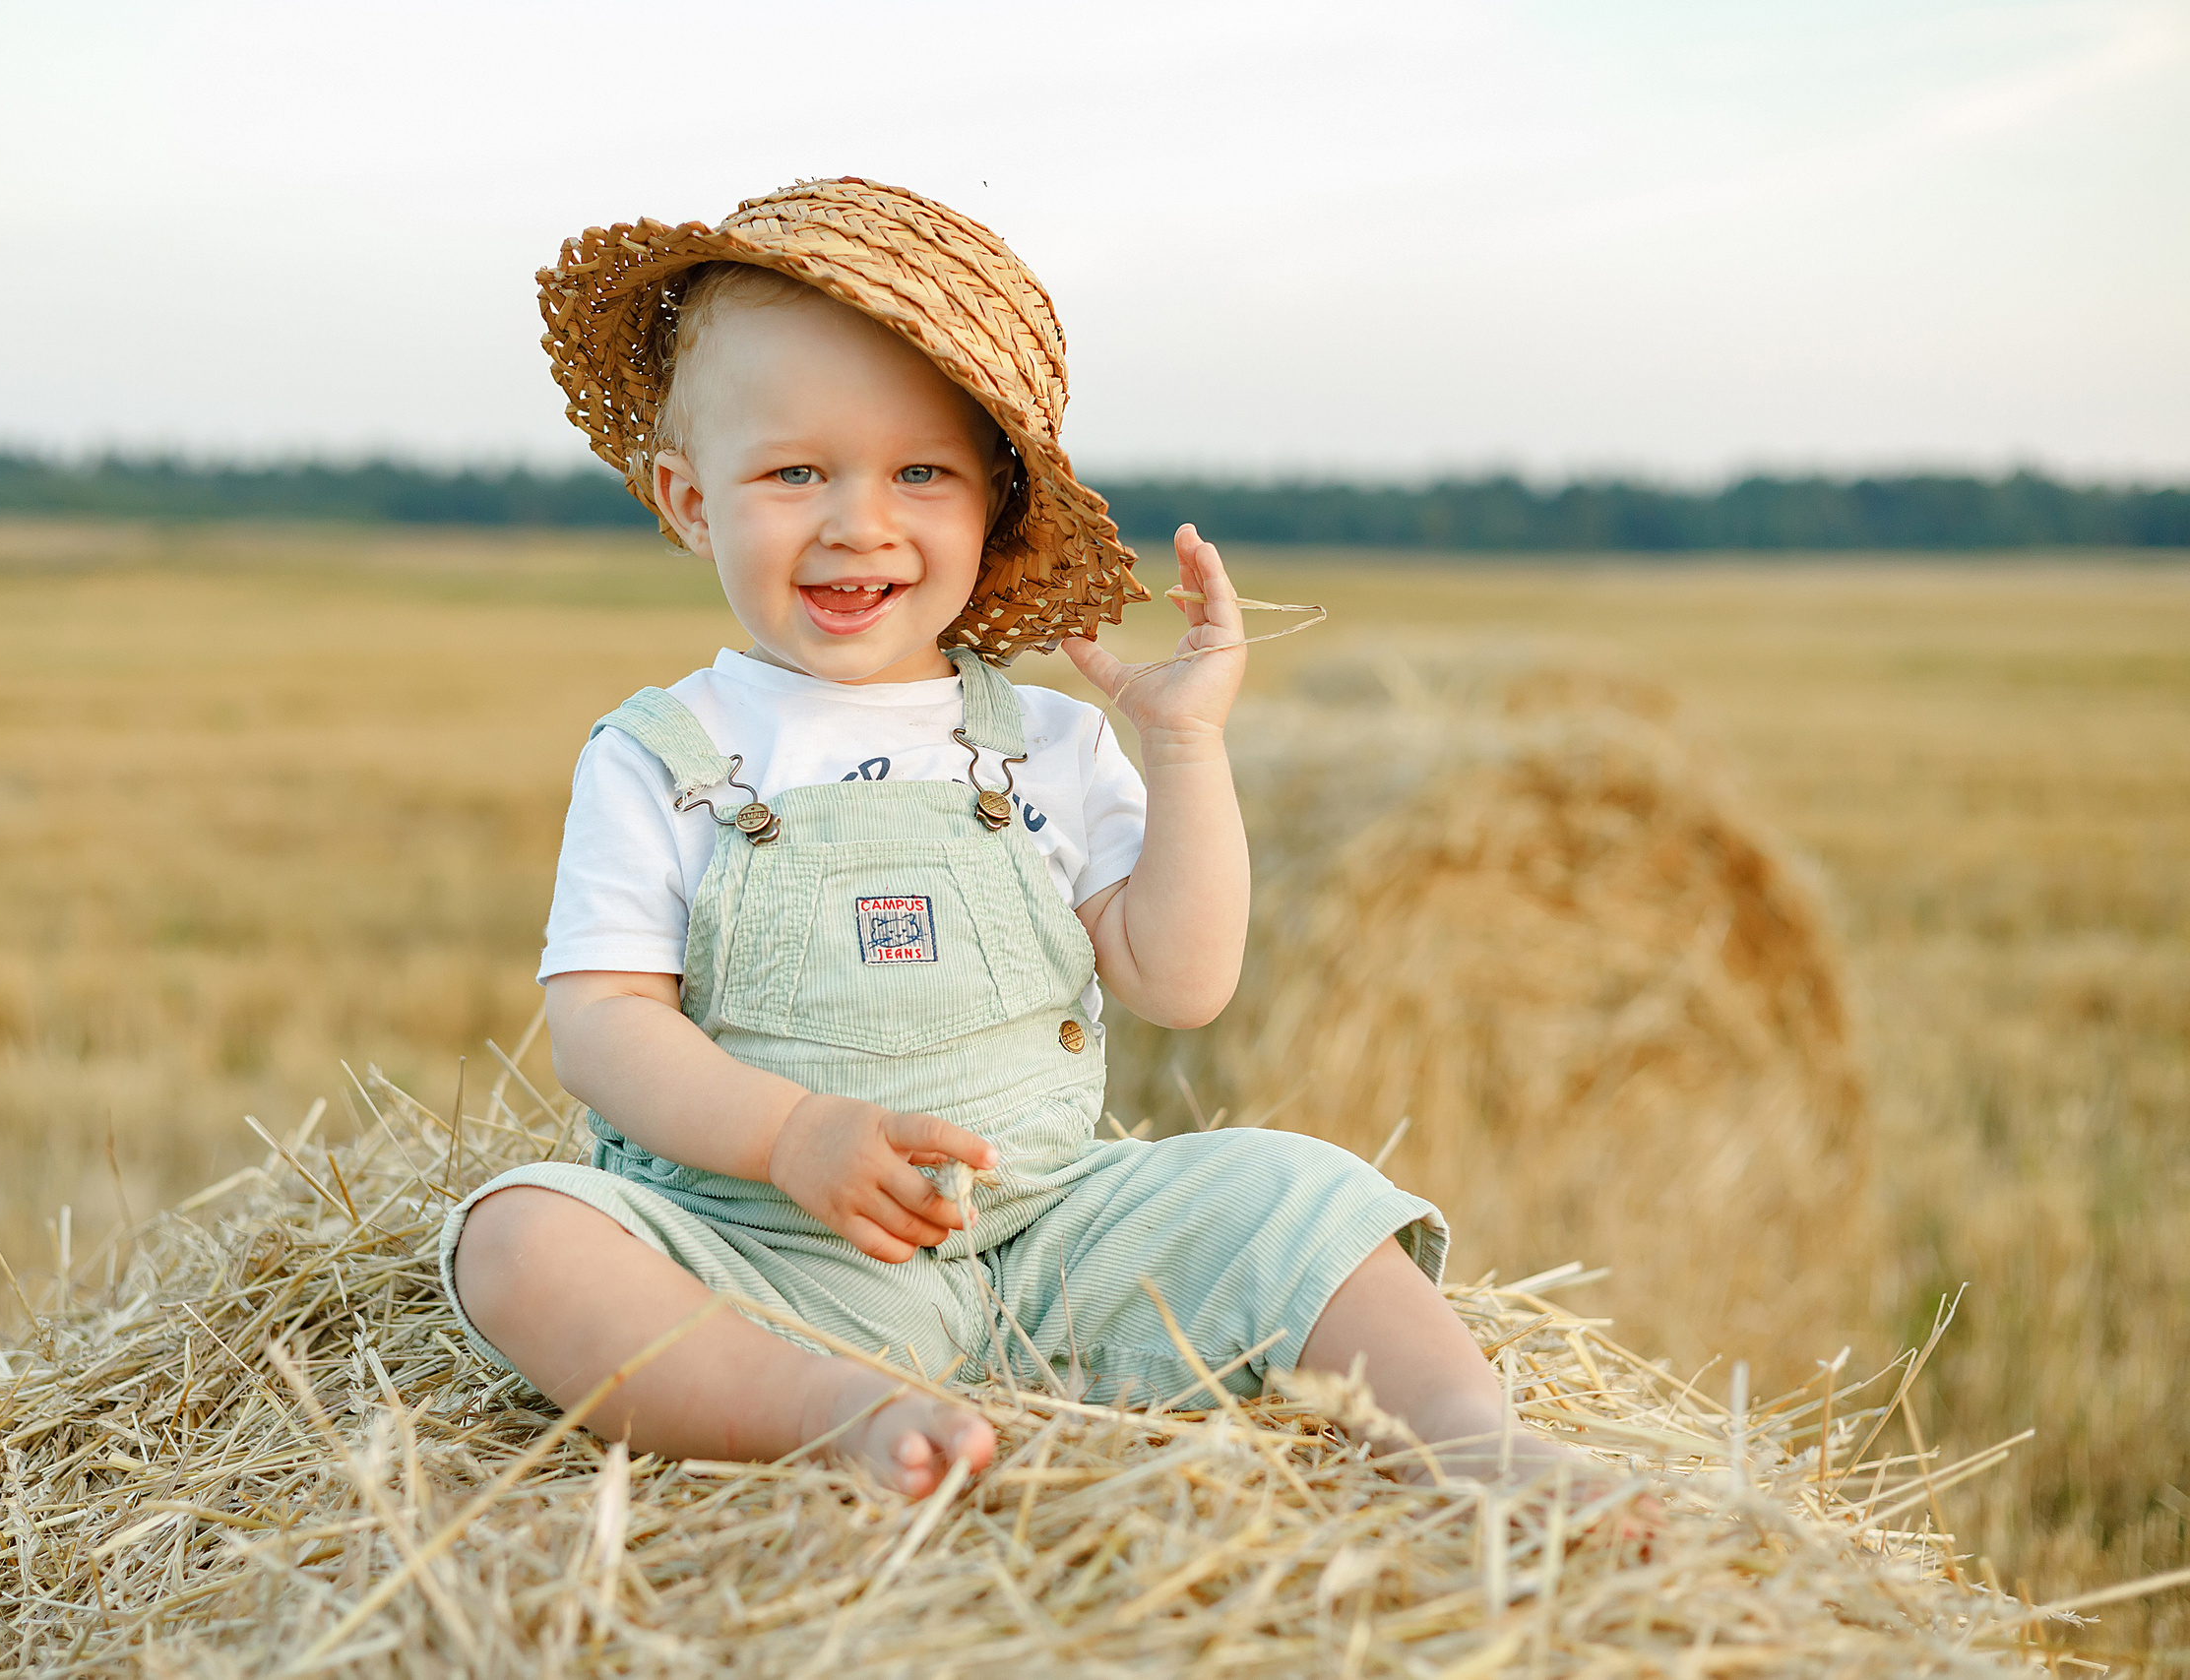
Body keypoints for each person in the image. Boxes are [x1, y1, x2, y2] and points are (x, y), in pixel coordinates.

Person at [442, 179, 1583, 1498]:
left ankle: (1474, 1439)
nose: (857, 520)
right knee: (518, 1241)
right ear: (692, 501)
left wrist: (1184, 746)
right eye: (793, 471)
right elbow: (603, 1028)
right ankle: (824, 1406)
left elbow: (1183, 979)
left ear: (990, 508)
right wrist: (790, 1136)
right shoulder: (660, 754)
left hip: (1054, 1235)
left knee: (1299, 1192)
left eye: (918, 472)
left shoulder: (1044, 741)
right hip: (771, 1252)